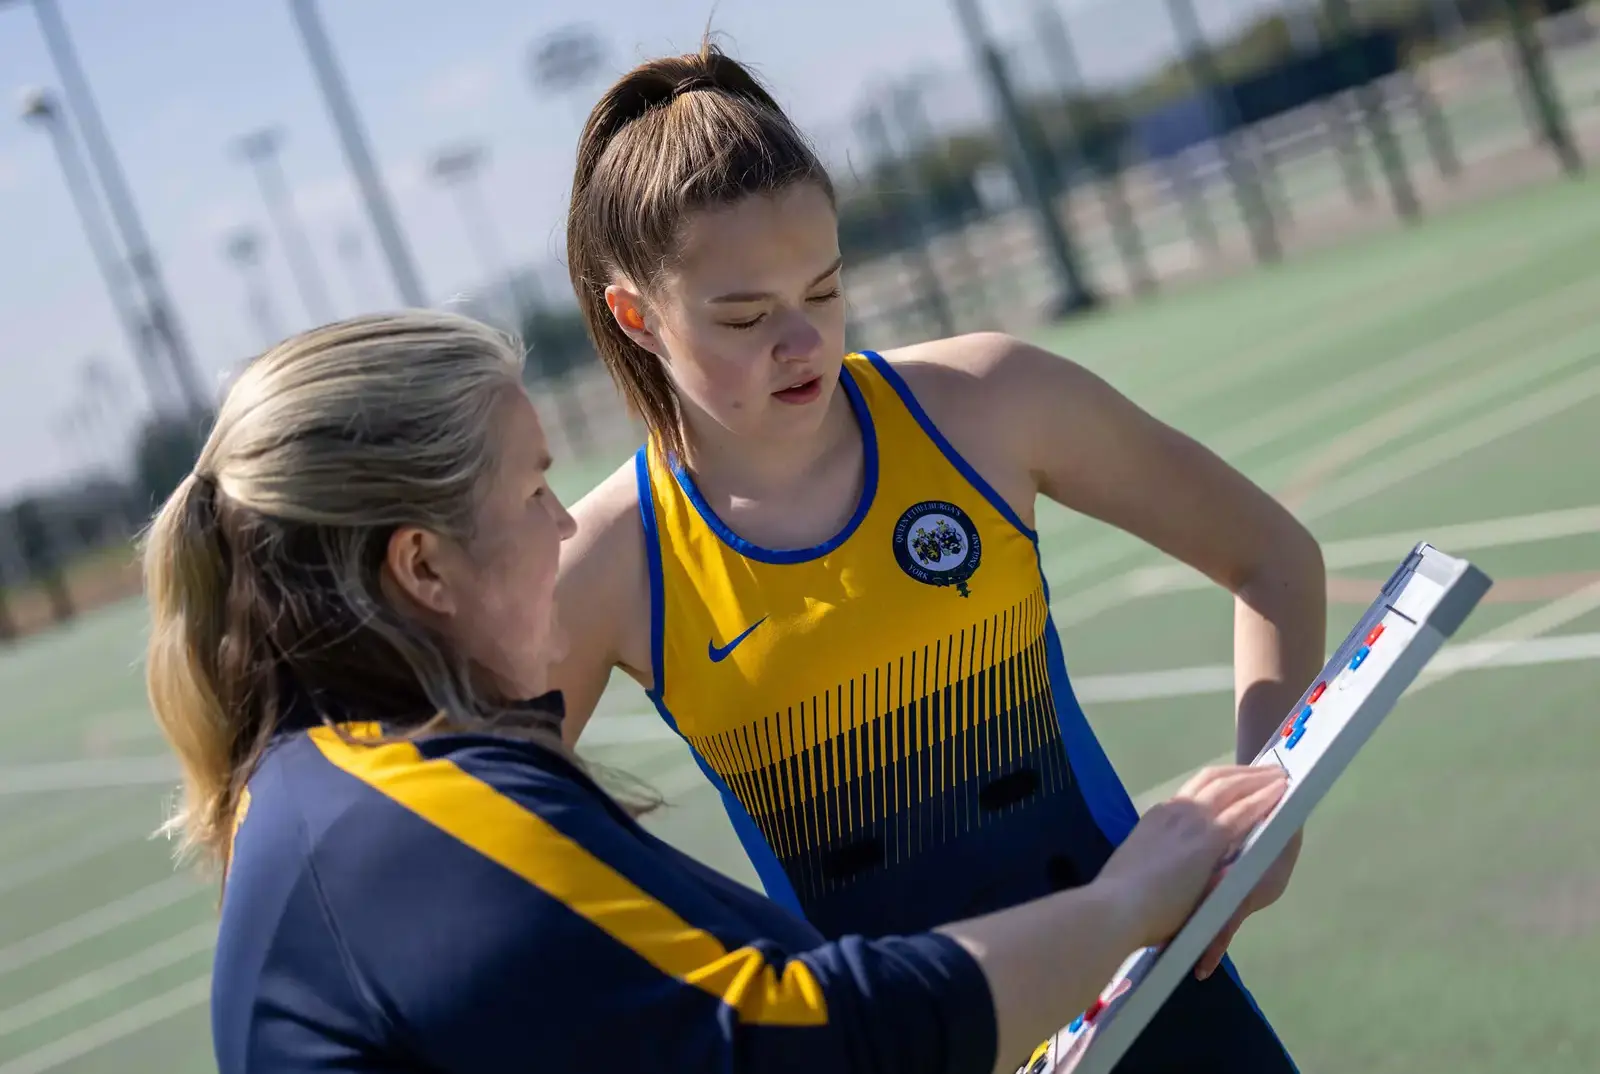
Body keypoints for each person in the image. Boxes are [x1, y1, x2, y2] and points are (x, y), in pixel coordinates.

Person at [142, 309, 1286, 1074]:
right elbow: (804, 1035)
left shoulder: (328, 797)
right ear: (423, 566)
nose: (561, 527)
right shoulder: (422, 826)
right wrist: (1125, 904)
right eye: (536, 490)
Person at [553, 40, 1328, 1072]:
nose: (802, 342)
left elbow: (1270, 555)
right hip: (905, 1049)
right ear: (634, 317)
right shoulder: (606, 561)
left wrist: (1265, 800)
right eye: (744, 315)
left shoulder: (990, 402)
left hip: (1152, 1004)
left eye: (823, 292)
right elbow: (485, 862)